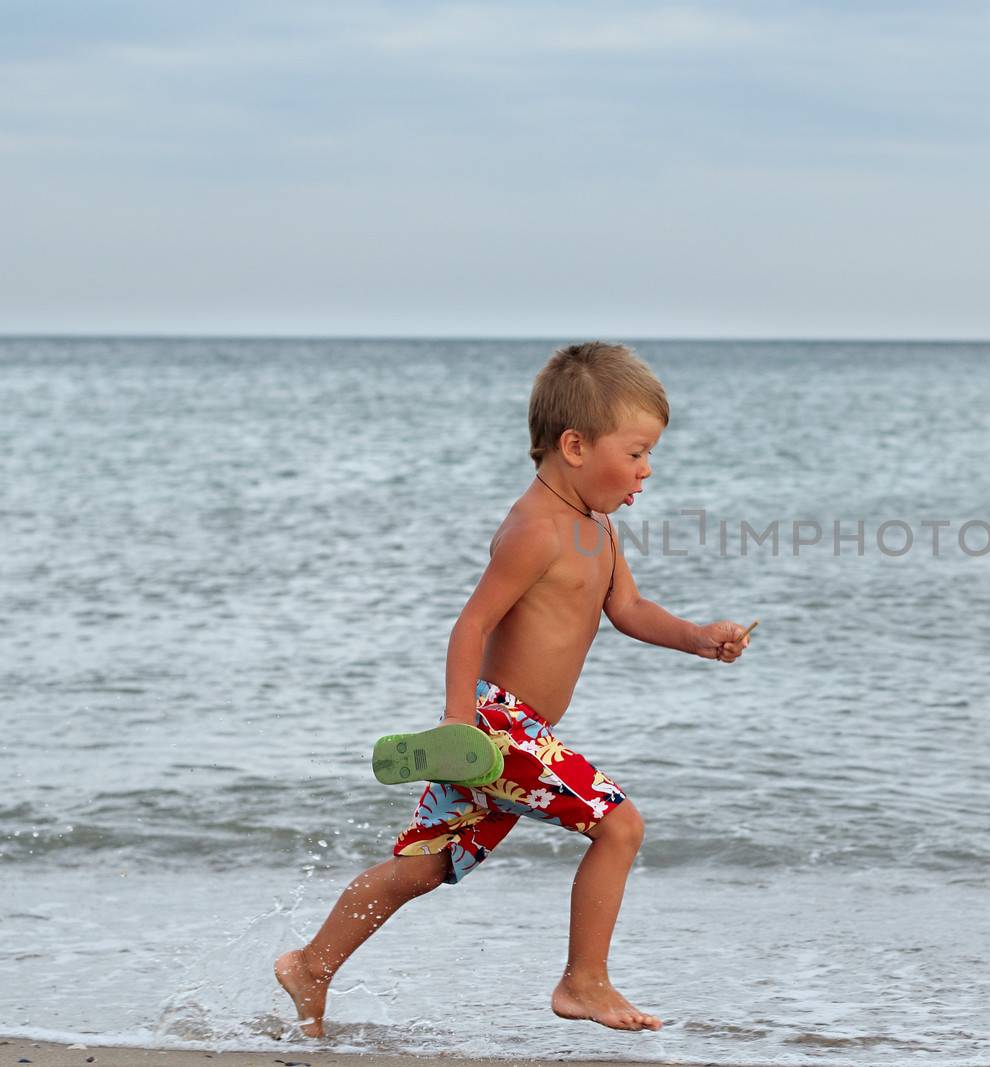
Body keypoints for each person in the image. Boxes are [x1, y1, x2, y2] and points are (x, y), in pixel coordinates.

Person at [274, 341, 753, 1035]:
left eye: (652, 455)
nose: (648, 471)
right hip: (497, 728)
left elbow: (630, 611)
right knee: (620, 825)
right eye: (638, 451)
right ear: (576, 446)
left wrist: (700, 636)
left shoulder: (600, 530)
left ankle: (312, 963)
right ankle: (583, 981)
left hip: (511, 736)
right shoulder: (536, 530)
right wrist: (457, 729)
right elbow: (469, 628)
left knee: (425, 866)